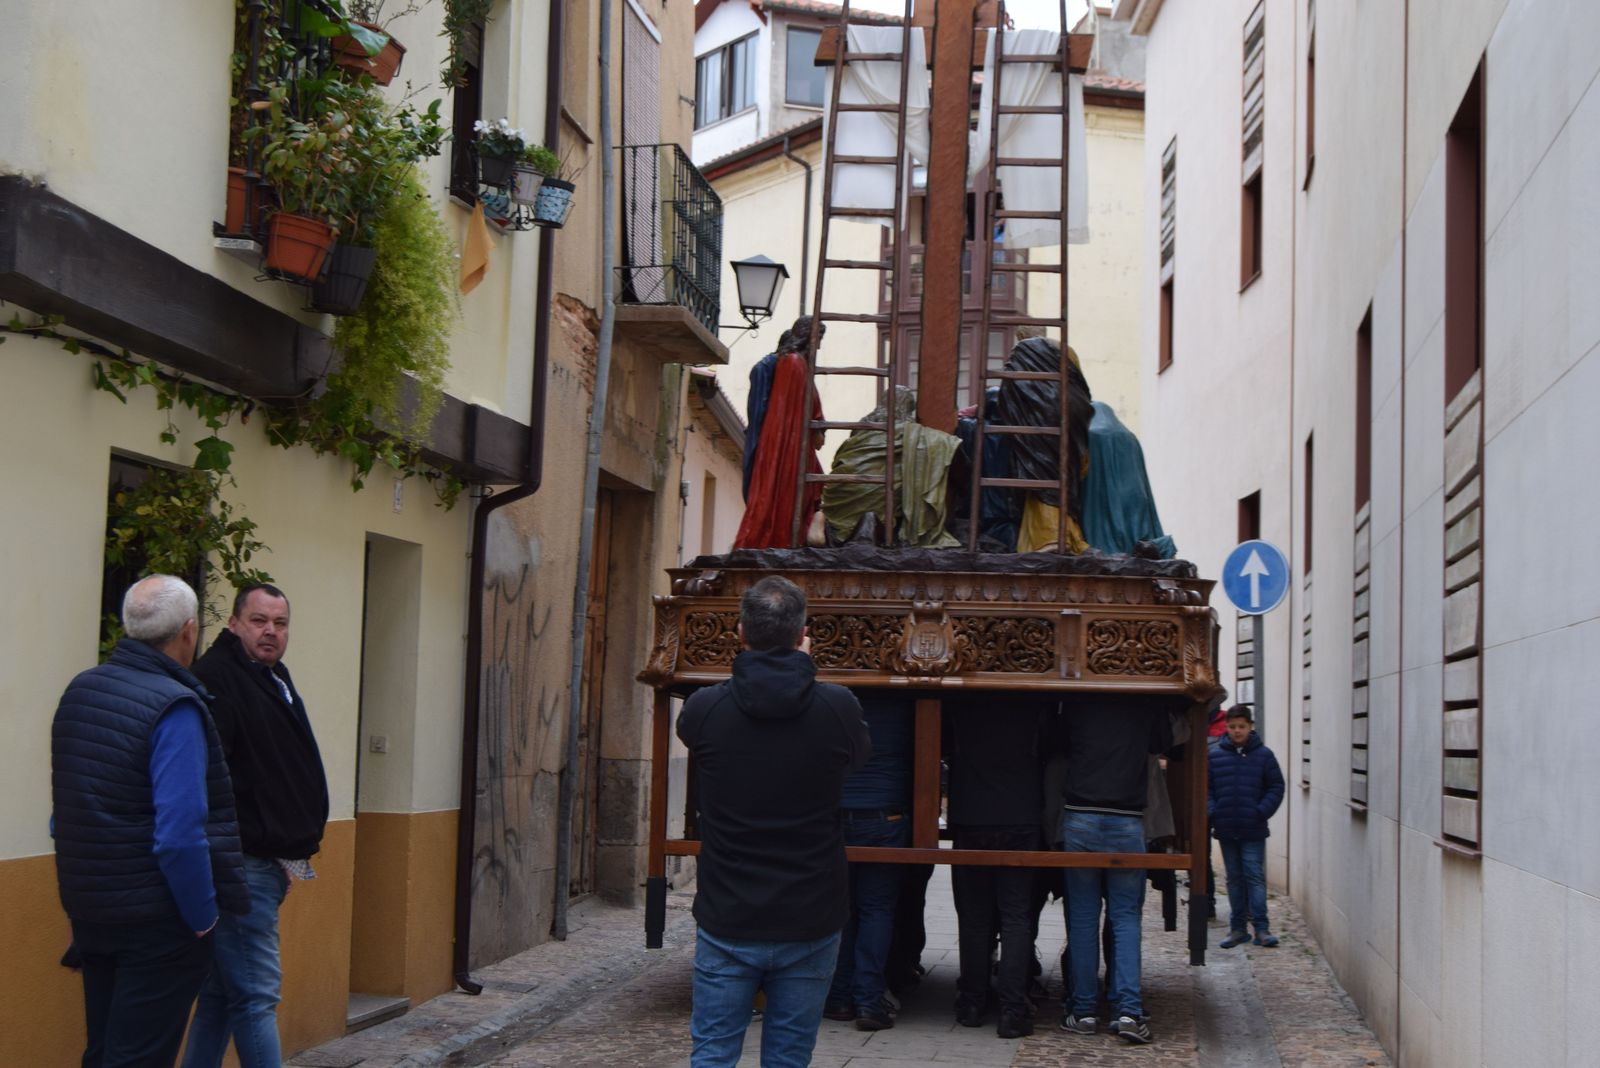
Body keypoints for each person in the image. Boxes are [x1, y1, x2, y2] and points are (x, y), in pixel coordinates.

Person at [51, 575, 249, 1068]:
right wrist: (203, 917)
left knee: (103, 1050)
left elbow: (65, 812)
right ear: (188, 632)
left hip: (91, 907)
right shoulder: (175, 706)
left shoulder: (82, 690)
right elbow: (179, 837)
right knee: (138, 1056)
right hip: (156, 919)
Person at [676, 576, 871, 1067]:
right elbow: (856, 759)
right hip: (810, 911)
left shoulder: (704, 709)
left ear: (740, 632)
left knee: (714, 1052)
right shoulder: (838, 708)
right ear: (804, 633)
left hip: (729, 910)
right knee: (789, 1055)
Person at [182, 584, 328, 1068]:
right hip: (240, 866)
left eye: (280, 624)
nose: (270, 632)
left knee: (223, 998)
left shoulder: (268, 675)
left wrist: (286, 852)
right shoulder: (219, 681)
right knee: (256, 996)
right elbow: (212, 781)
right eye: (259, 621)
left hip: (262, 862)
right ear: (234, 624)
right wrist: (250, 851)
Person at [1056, 695, 1173, 1045]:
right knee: (1125, 918)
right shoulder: (1145, 701)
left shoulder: (1077, 698)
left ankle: (1084, 1010)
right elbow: (1163, 742)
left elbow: (1057, 743)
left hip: (1081, 814)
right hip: (1127, 819)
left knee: (1082, 917)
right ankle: (1128, 1011)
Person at [945, 698, 1048, 1039]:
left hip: (972, 814)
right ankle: (1012, 1009)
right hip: (1020, 814)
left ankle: (972, 1003)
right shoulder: (1034, 702)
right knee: (1016, 915)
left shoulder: (963, 702)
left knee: (975, 917)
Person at [824, 695, 913, 1031]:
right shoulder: (902, 702)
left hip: (840, 814)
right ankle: (869, 1000)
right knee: (877, 909)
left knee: (843, 909)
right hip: (885, 816)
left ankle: (839, 996)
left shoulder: (838, 700)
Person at [1209, 705, 1286, 949]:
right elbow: (1206, 789)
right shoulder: (1215, 756)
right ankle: (1237, 928)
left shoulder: (1264, 755)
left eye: (1241, 726)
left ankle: (1261, 928)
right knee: (1234, 878)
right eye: (1232, 727)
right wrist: (1214, 811)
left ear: (1250, 726)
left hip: (1252, 827)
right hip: (1226, 826)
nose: (1237, 731)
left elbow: (1276, 786)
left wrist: (1261, 811)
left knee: (1253, 876)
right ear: (1227, 728)